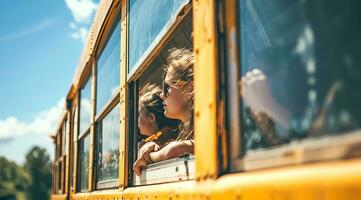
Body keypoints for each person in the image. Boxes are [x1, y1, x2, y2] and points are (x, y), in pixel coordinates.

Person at [133, 48, 195, 176]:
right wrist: (157, 148)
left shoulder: (206, 128)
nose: (162, 94)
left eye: (166, 87)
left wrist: (149, 156)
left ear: (190, 88)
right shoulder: (190, 130)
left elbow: (177, 150)